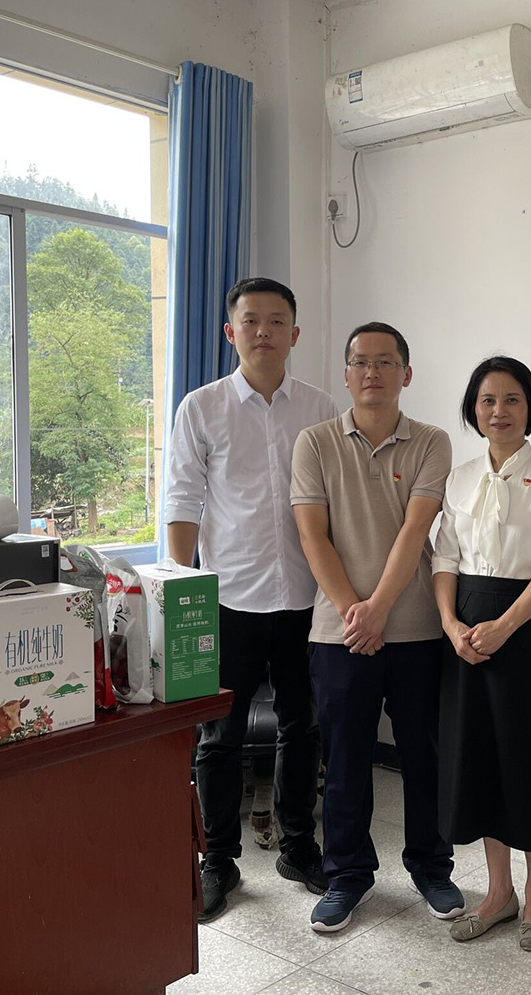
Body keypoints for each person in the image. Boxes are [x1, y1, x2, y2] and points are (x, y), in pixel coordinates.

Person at [165, 277, 338, 923]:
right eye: (250, 320)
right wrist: (180, 589)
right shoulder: (202, 407)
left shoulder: (320, 408)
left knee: (303, 727)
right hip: (227, 598)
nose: (263, 330)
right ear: (230, 332)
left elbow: (335, 503)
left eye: (277, 320)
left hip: (305, 596)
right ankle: (219, 860)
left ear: (295, 333)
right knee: (219, 736)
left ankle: (298, 847)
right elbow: (182, 499)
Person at [290, 322, 463, 933]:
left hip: (416, 629)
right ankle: (347, 875)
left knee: (424, 755)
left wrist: (378, 609)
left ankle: (431, 867)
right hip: (339, 634)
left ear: (406, 374)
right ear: (346, 373)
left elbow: (417, 529)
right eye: (361, 362)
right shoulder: (314, 442)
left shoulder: (432, 441)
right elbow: (312, 535)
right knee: (344, 759)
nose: (373, 372)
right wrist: (354, 612)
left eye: (386, 362)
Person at [433, 356, 531, 952]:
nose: (500, 410)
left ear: (529, 407)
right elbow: (444, 556)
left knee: (526, 754)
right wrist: (451, 625)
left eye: (512, 399)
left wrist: (506, 626)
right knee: (480, 755)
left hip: (523, 626)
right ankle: (499, 892)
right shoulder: (460, 477)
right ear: (474, 409)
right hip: (465, 628)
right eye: (488, 400)